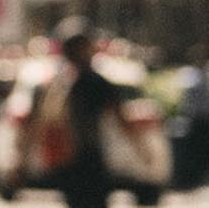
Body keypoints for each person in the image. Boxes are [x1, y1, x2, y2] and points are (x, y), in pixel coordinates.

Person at [43, 18, 151, 208]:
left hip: (72, 161)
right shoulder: (89, 82)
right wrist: (142, 150)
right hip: (88, 159)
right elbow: (121, 117)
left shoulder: (62, 83)